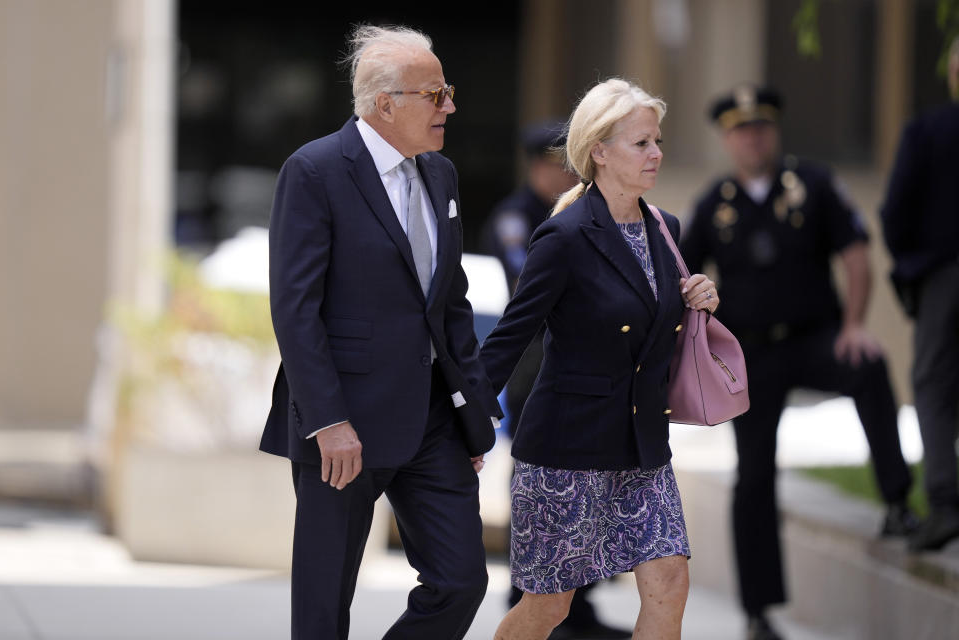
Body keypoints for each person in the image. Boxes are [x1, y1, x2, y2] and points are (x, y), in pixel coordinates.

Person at [259, 25, 502, 640]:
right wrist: (327, 421)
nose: (450, 105)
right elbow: (295, 308)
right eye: (436, 93)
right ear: (385, 102)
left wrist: (471, 412)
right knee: (324, 604)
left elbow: (451, 303)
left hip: (433, 425)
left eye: (448, 91)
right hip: (345, 426)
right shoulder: (314, 170)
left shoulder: (439, 175)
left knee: (461, 582)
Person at [481, 78, 720, 640]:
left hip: (643, 449)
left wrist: (697, 299)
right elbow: (510, 337)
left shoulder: (667, 230)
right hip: (567, 450)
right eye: (641, 143)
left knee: (669, 583)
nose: (656, 153)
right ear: (599, 152)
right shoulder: (562, 236)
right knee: (549, 608)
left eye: (657, 141)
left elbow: (653, 329)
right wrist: (464, 425)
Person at [680, 85, 917, 640]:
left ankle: (898, 500)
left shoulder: (813, 184)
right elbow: (682, 276)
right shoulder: (715, 200)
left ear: (775, 131)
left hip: (817, 339)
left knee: (870, 368)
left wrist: (855, 325)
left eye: (761, 126)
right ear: (727, 138)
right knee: (753, 473)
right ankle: (759, 612)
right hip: (753, 355)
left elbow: (857, 256)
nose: (752, 137)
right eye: (741, 129)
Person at [483, 123, 630, 640]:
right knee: (538, 488)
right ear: (533, 166)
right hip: (535, 367)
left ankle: (578, 605)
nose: (564, 175)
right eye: (554, 165)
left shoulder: (591, 212)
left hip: (587, 367)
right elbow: (532, 283)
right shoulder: (516, 217)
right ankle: (526, 598)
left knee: (591, 490)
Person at [881, 37, 959, 553]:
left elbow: (895, 212)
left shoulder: (930, 130)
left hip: (944, 278)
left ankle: (946, 502)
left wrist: (911, 268)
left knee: (932, 385)